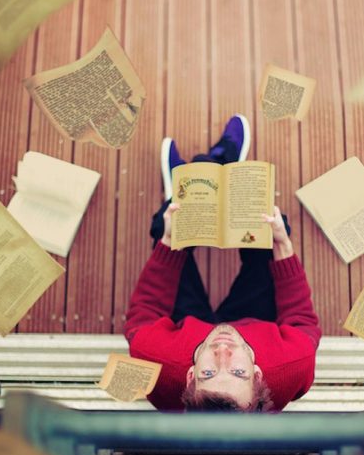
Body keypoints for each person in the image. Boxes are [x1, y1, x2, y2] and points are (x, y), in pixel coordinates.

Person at [124, 114, 321, 413]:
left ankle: (186, 186)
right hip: (253, 323)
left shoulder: (156, 364)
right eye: (238, 372)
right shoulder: (292, 365)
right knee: (272, 230)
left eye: (208, 373)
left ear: (190, 377)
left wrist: (168, 243)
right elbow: (302, 322)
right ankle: (225, 172)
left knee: (166, 225)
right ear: (257, 376)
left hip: (185, 330)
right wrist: (283, 245)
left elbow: (144, 314)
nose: (223, 352)